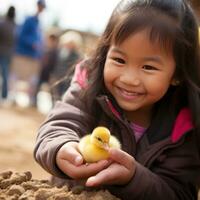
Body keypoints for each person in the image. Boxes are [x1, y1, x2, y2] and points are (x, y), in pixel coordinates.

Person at [34, 0, 200, 199]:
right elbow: (59, 125)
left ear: (177, 74)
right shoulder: (87, 88)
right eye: (119, 60)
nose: (129, 79)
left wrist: (132, 178)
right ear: (105, 54)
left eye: (148, 67)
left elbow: (180, 193)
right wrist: (61, 147)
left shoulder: (185, 124)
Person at [9, 0, 46, 106]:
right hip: (22, 53)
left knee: (32, 79)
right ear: (37, 6)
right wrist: (32, 43)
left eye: (43, 7)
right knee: (15, 76)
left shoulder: (39, 23)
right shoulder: (28, 19)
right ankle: (12, 97)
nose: (41, 9)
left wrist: (40, 52)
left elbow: (39, 41)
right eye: (40, 6)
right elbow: (20, 35)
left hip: (34, 56)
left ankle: (31, 100)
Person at [0, 6, 16, 100]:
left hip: (2, 51)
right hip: (8, 53)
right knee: (5, 74)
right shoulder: (14, 26)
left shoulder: (2, 24)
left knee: (5, 75)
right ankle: (4, 96)